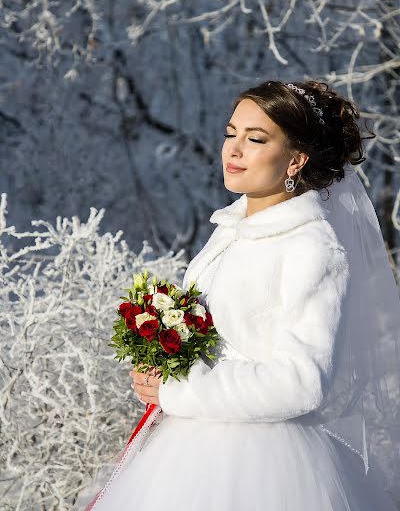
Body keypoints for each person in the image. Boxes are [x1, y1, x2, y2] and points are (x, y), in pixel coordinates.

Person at [79, 80, 400, 510]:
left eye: (255, 139)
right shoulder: (230, 231)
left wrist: (180, 388)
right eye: (231, 133)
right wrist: (160, 362)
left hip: (265, 464)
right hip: (184, 449)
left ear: (296, 159)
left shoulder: (311, 247)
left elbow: (301, 382)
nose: (233, 150)